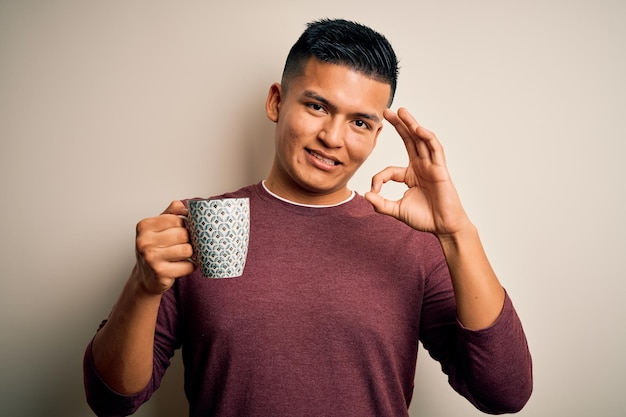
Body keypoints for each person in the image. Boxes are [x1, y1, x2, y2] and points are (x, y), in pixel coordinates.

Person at [84, 18, 532, 417]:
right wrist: (142, 288)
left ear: (377, 135)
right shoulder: (199, 229)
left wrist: (456, 233)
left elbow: (504, 393)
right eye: (317, 106)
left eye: (359, 122)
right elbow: (111, 400)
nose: (332, 137)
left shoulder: (411, 244)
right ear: (277, 102)